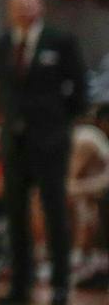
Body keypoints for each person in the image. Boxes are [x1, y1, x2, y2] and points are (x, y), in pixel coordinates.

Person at [0, 0, 89, 305]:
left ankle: (60, 285)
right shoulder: (1, 45)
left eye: (30, 2)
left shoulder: (60, 41)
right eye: (18, 3)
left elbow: (80, 92)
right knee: (16, 213)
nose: (24, 8)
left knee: (54, 209)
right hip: (14, 141)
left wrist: (58, 122)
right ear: (9, 10)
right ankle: (20, 286)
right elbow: (3, 93)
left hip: (49, 139)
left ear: (41, 6)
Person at [70, 105, 108, 291]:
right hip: (97, 189)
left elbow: (70, 178)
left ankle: (85, 257)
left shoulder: (86, 136)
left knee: (69, 193)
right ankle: (86, 257)